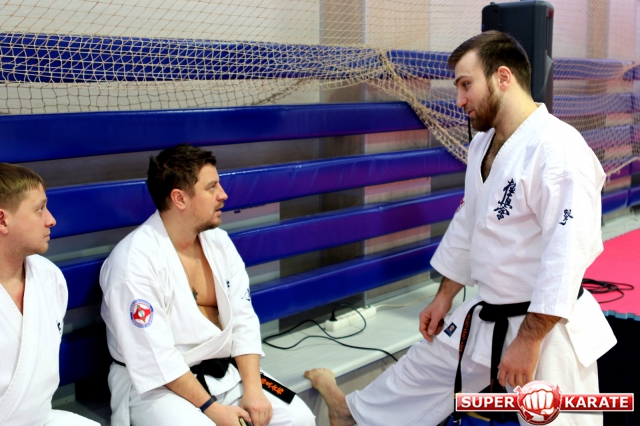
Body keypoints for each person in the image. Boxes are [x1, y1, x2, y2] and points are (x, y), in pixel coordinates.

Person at [304, 31, 616, 426]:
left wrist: (529, 339)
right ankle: (347, 411)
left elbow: (566, 255)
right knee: (418, 374)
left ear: (503, 78)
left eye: (466, 85)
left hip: (548, 330)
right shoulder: (483, 145)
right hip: (490, 310)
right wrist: (444, 295)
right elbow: (470, 224)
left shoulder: (559, 151)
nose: (459, 100)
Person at [100, 144, 315, 426]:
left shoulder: (219, 242)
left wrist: (253, 390)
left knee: (298, 418)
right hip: (157, 387)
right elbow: (155, 357)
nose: (223, 194)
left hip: (222, 371)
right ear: (179, 198)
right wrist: (212, 410)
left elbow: (243, 320)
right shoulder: (133, 263)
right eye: (212, 187)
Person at [0, 163, 99, 426]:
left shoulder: (49, 277)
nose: (51, 220)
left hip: (40, 418)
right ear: (2, 220)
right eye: (40, 209)